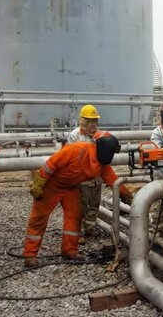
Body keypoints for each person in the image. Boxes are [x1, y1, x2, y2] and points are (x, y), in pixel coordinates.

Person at [23, 131, 133, 267]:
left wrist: (129, 198)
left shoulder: (101, 164)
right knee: (39, 218)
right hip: (51, 186)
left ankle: (69, 251)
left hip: (70, 188)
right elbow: (50, 165)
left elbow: (113, 181)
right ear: (103, 148)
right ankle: (30, 255)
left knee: (74, 217)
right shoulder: (75, 150)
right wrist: (38, 185)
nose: (110, 155)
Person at [67, 104, 102, 242]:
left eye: (95, 121)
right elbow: (69, 157)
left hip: (95, 178)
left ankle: (89, 228)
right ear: (83, 121)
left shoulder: (99, 136)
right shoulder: (74, 136)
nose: (93, 124)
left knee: (94, 203)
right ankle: (77, 232)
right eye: (90, 121)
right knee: (80, 206)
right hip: (81, 179)